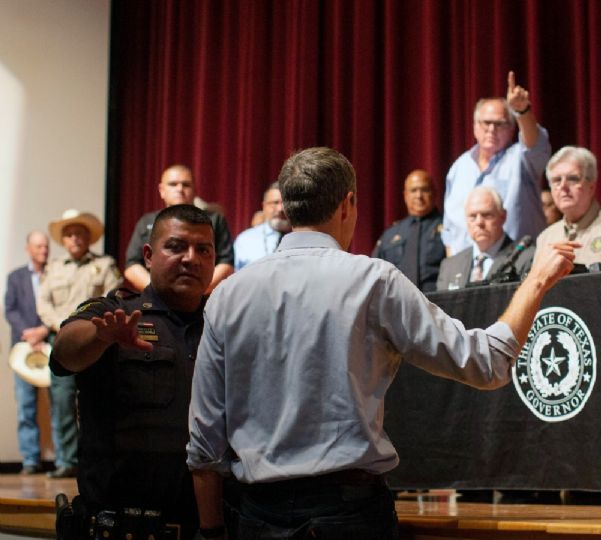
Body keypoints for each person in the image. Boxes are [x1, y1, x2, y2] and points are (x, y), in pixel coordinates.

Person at [187, 147, 576, 539]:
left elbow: (204, 439)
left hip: (256, 514)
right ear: (348, 204)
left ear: (287, 207)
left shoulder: (226, 294)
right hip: (349, 514)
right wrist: (536, 281)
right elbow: (485, 363)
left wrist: (211, 532)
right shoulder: (374, 282)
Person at [50, 205, 214, 539]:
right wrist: (101, 336)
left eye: (203, 249)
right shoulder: (116, 312)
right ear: (149, 256)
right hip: (121, 526)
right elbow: (65, 352)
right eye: (176, 246)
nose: (190, 258)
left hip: (205, 526)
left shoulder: (224, 323)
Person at [36, 209, 124, 478]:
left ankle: (95, 458)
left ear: (89, 238)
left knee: (97, 399)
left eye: (80, 234)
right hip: (61, 340)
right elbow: (43, 303)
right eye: (70, 234)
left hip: (96, 339)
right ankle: (67, 461)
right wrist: (59, 326)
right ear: (64, 240)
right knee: (62, 402)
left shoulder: (105, 264)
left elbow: (115, 294)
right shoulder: (53, 269)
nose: (75, 239)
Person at [442, 71, 551, 254]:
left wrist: (522, 112)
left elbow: (536, 146)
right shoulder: (459, 168)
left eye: (500, 124)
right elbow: (450, 231)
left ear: (511, 128)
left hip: (516, 264)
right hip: (469, 271)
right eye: (486, 123)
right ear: (475, 126)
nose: (492, 129)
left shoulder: (520, 159)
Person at [124, 164, 233, 291]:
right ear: (161, 190)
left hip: (203, 301)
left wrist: (196, 291)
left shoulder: (215, 220)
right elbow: (132, 265)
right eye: (173, 184)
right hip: (156, 302)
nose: (180, 189)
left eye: (186, 185)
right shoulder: (146, 221)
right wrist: (159, 292)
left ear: (195, 189)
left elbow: (226, 264)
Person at [4, 231, 50, 475]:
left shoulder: (56, 274)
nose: (44, 250)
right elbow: (9, 310)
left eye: (46, 246)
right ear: (28, 249)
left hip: (51, 344)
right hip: (22, 349)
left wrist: (43, 331)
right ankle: (31, 460)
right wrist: (29, 334)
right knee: (25, 408)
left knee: (60, 406)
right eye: (39, 246)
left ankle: (65, 461)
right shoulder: (15, 277)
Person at [436, 186, 535, 291]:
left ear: (503, 217)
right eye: (473, 216)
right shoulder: (450, 267)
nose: (479, 222)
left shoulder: (526, 258)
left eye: (487, 215)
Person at [371, 169, 445, 291]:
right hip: (397, 305)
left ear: (434, 193)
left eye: (424, 190)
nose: (419, 196)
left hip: (437, 303)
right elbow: (375, 272)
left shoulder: (448, 229)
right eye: (413, 190)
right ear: (405, 195)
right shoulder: (391, 234)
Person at [233, 182, 291, 270]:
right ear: (264, 206)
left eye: (285, 203)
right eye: (275, 203)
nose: (280, 209)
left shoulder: (304, 237)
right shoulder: (245, 240)